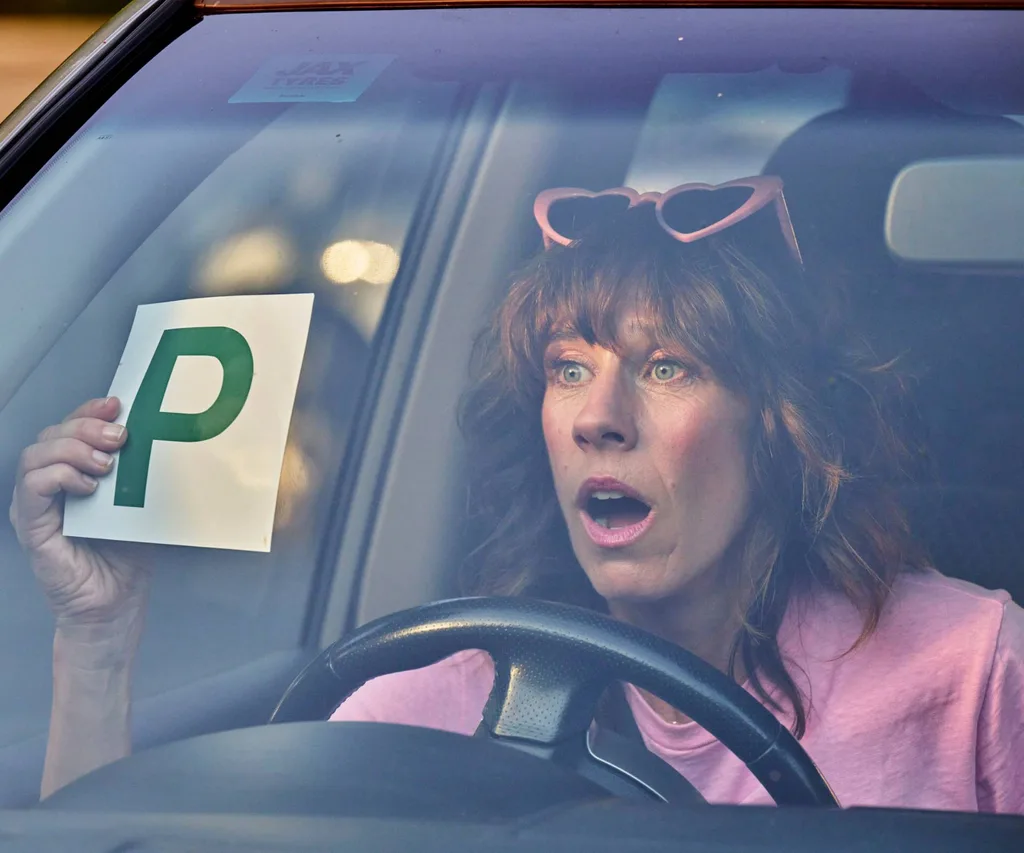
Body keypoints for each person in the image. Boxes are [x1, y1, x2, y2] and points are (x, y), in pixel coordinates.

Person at [11, 177, 1024, 811]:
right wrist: (96, 645)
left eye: (667, 367)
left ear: (777, 419)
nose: (598, 416)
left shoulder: (973, 674)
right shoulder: (431, 705)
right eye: (567, 368)